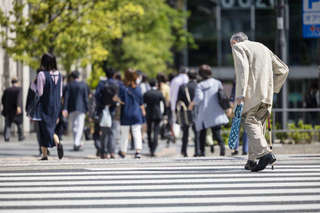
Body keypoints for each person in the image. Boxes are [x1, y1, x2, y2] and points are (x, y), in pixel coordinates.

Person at [230, 32, 289, 171]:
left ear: (235, 41)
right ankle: (251, 160)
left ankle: (265, 154)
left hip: (252, 95)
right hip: (266, 96)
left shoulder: (238, 47)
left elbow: (242, 71)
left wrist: (240, 94)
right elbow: (284, 70)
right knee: (256, 126)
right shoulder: (263, 47)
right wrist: (272, 89)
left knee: (248, 121)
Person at [189, 65, 229, 157]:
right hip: (216, 111)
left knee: (202, 132)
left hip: (204, 111)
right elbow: (222, 95)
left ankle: (202, 152)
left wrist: (192, 104)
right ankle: (222, 147)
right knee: (216, 132)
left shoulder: (200, 85)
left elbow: (199, 98)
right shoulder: (217, 82)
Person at [37, 53, 63, 160]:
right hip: (56, 105)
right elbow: (60, 93)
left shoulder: (42, 74)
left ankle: (57, 143)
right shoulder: (59, 74)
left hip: (44, 105)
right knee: (49, 128)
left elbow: (40, 92)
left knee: (44, 129)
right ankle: (45, 154)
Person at [118, 68, 146, 159]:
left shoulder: (122, 88)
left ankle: (123, 151)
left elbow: (121, 101)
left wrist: (117, 100)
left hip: (126, 112)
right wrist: (143, 111)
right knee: (137, 132)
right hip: (136, 112)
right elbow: (141, 101)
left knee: (124, 133)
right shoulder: (138, 88)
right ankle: (138, 152)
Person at [63, 70, 89, 151]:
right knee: (80, 125)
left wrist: (65, 108)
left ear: (72, 77)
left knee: (74, 125)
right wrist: (87, 108)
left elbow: (66, 97)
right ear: (78, 76)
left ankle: (76, 142)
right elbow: (85, 97)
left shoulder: (69, 85)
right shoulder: (83, 85)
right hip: (81, 108)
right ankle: (76, 143)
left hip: (71, 108)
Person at [96, 68, 119, 159]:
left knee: (104, 131)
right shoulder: (117, 83)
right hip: (112, 109)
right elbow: (119, 97)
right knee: (112, 131)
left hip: (103, 109)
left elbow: (97, 95)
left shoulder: (101, 83)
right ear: (114, 75)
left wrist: (101, 105)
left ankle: (103, 152)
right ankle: (112, 152)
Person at [177, 69, 199, 157]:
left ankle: (184, 151)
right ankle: (197, 151)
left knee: (185, 132)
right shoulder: (199, 86)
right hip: (197, 111)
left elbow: (179, 100)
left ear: (188, 76)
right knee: (197, 132)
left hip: (185, 112)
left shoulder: (183, 86)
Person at [143, 78, 166, 157]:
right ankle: (154, 148)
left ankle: (150, 146)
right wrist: (165, 113)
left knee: (149, 131)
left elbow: (143, 103)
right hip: (157, 113)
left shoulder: (146, 93)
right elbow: (164, 102)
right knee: (156, 131)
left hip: (149, 113)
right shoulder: (159, 93)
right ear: (156, 84)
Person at [1, 78, 25, 142]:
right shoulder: (19, 89)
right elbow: (19, 98)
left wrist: (4, 107)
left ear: (11, 82)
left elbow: (3, 99)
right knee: (19, 124)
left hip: (8, 110)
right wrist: (18, 106)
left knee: (8, 124)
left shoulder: (7, 90)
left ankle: (6, 137)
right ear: (17, 82)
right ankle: (21, 136)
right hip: (17, 110)